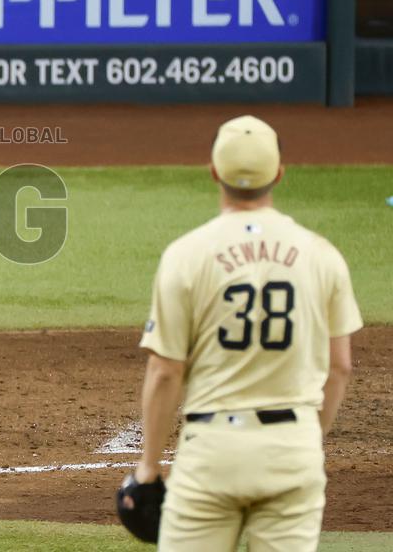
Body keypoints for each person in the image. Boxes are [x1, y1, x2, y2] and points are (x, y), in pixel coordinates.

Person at [131, 115, 361, 550]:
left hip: (213, 453)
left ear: (214, 172)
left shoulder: (187, 255)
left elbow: (165, 372)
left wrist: (148, 469)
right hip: (292, 453)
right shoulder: (321, 255)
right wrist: (306, 441)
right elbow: (340, 367)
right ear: (278, 174)